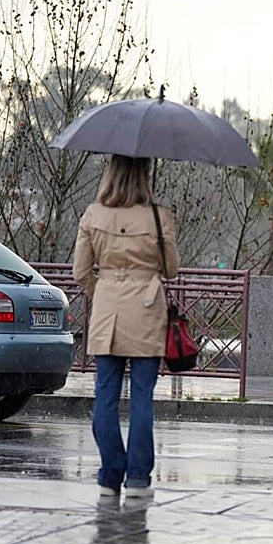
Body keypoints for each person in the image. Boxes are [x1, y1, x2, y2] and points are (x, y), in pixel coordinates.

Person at [73, 155, 179, 498]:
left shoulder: (93, 215)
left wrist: (103, 292)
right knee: (142, 398)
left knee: (105, 396)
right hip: (147, 310)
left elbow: (80, 272)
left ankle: (109, 475)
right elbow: (171, 269)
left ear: (111, 172)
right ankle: (137, 479)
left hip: (107, 313)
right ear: (146, 173)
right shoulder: (158, 216)